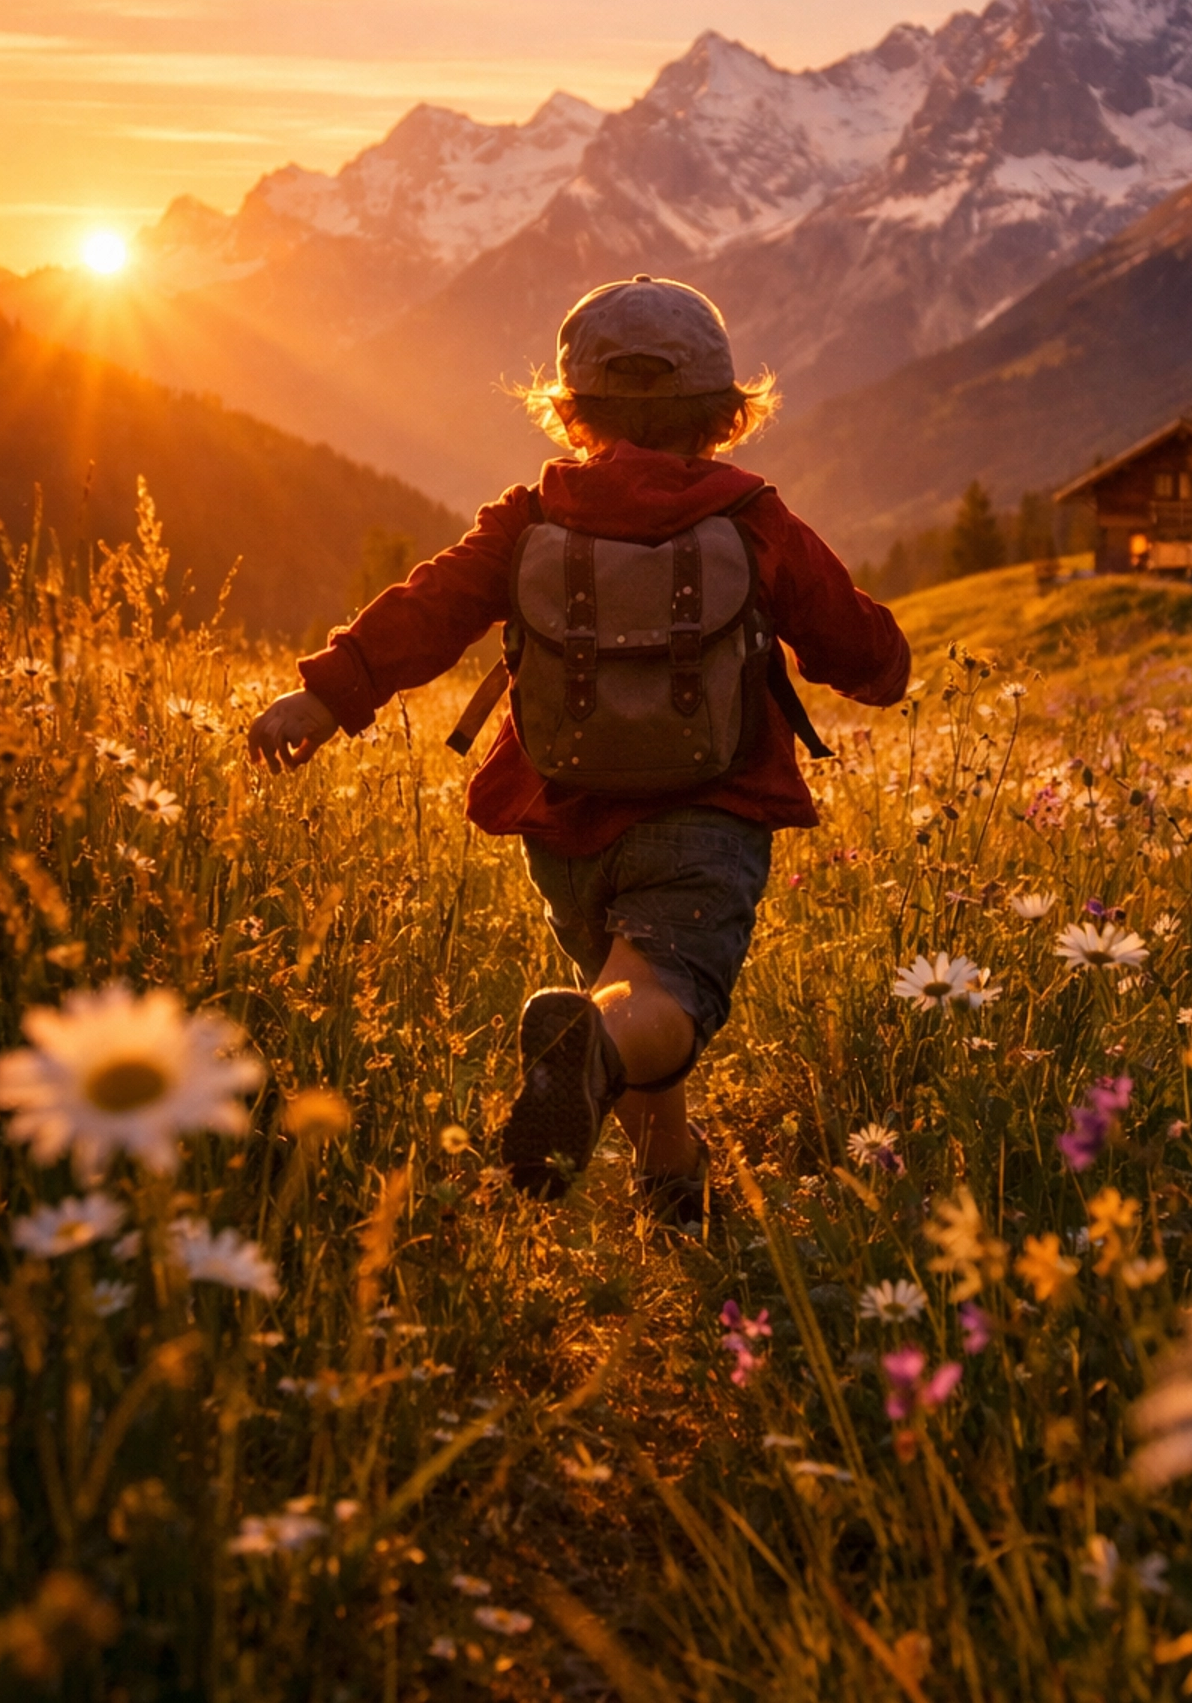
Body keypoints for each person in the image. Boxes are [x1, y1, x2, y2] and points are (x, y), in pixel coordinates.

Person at [247, 276, 910, 1224]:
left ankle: (673, 1186)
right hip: (708, 811)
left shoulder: (529, 517)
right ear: (726, 416)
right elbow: (856, 648)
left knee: (626, 994)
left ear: (570, 410)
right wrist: (890, 668)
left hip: (562, 814)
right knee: (650, 1001)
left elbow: (428, 610)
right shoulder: (756, 518)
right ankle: (598, 1066)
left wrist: (322, 696)